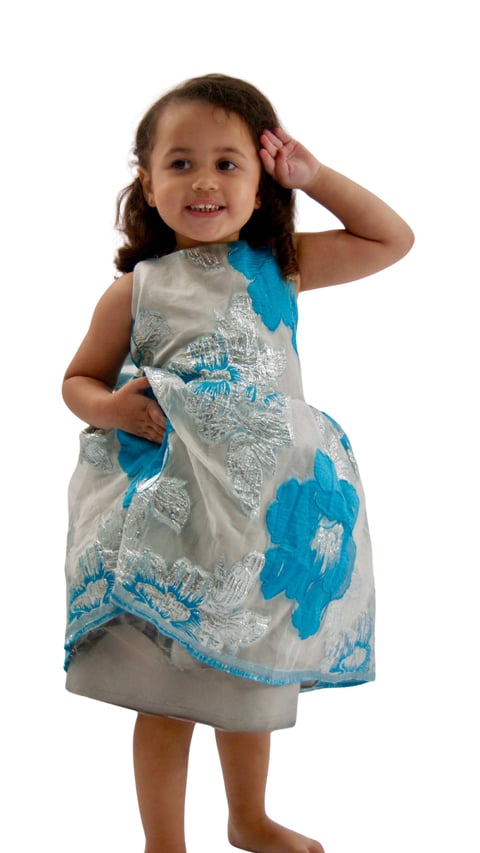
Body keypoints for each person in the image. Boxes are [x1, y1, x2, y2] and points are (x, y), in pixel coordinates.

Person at [62, 73, 414, 853]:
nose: (204, 180)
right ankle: (164, 842)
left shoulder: (280, 269)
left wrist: (315, 177)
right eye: (180, 163)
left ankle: (248, 818)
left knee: (247, 678)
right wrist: (114, 407)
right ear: (147, 185)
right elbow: (77, 381)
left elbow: (392, 238)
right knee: (168, 694)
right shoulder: (137, 288)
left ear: (263, 182)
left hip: (258, 520)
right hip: (175, 513)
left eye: (229, 163)